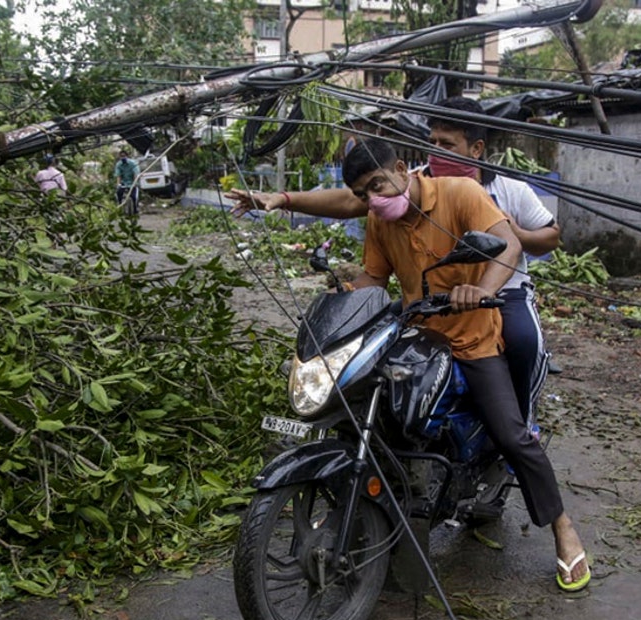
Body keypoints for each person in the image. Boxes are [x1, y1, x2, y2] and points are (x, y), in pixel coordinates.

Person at [238, 137, 591, 592]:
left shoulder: (461, 194)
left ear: (402, 168)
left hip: (472, 338)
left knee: (511, 434)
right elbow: (373, 278)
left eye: (377, 186)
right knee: (373, 411)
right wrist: (349, 296)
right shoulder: (380, 222)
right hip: (418, 337)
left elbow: (508, 247)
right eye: (364, 194)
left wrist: (480, 287)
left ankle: (562, 528)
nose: (373, 199)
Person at [228, 96, 561, 430]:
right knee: (378, 335)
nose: (436, 151)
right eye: (431, 142)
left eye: (447, 144)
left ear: (475, 149)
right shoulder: (409, 184)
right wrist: (283, 199)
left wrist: (509, 233)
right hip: (431, 293)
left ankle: (522, 419)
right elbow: (350, 203)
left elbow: (546, 237)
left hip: (499, 290)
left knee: (522, 340)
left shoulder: (506, 189)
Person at [114, 149, 140, 214]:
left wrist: (134, 183)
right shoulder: (119, 165)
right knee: (118, 193)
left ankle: (135, 209)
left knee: (134, 197)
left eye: (124, 156)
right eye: (121, 156)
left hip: (132, 182)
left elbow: (135, 174)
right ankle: (120, 207)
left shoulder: (133, 163)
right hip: (124, 183)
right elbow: (118, 175)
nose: (123, 157)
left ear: (127, 156)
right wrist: (118, 184)